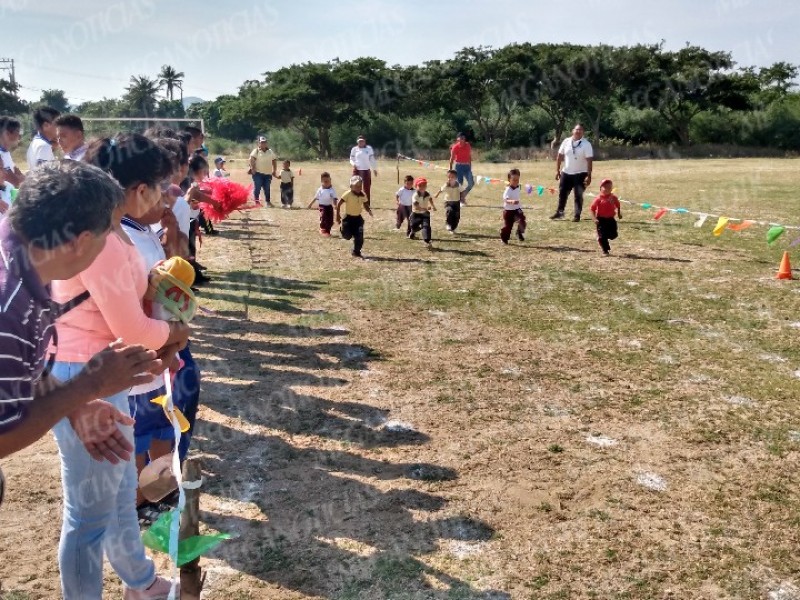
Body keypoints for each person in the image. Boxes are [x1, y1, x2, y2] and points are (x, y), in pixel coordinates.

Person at [52, 134, 190, 600]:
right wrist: (174, 335)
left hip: (103, 374)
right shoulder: (104, 241)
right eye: (159, 186)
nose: (163, 196)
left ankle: (141, 583)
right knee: (87, 516)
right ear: (136, 189)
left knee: (118, 492)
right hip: (82, 380)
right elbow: (131, 327)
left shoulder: (114, 233)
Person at [0, 160, 163, 464]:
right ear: (82, 242)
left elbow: (24, 365)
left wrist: (73, 405)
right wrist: (88, 385)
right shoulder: (8, 309)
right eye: (109, 233)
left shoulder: (24, 255)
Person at [552, 123, 593, 222]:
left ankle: (577, 215)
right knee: (562, 194)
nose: (578, 131)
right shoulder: (566, 141)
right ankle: (560, 213)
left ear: (583, 132)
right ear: (572, 130)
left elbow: (589, 160)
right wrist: (557, 170)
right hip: (566, 173)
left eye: (581, 130)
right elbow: (560, 156)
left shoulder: (586, 144)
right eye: (577, 129)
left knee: (578, 195)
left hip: (581, 173)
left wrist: (589, 175)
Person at [336, 175, 373, 258]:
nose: (358, 188)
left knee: (359, 237)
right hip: (348, 218)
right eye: (356, 186)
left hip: (358, 219)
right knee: (347, 236)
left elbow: (365, 204)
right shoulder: (347, 194)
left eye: (360, 186)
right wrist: (337, 216)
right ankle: (343, 230)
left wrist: (369, 210)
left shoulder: (362, 195)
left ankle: (356, 251)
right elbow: (339, 204)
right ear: (351, 186)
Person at [590, 178, 622, 255]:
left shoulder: (613, 197)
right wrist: (594, 219)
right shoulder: (598, 199)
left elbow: (618, 205)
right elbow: (592, 209)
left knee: (613, 235)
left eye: (609, 187)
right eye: (605, 187)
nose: (607, 189)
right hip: (601, 220)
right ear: (601, 188)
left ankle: (604, 237)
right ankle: (605, 249)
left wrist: (619, 213)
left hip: (611, 219)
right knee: (602, 236)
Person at [434, 169, 466, 234]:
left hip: (456, 202)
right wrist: (437, 194)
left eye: (452, 177)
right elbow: (441, 189)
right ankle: (448, 224)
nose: (450, 178)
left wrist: (463, 198)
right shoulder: (446, 184)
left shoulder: (458, 185)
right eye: (449, 177)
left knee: (456, 216)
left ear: (456, 178)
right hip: (448, 202)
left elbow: (462, 191)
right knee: (450, 211)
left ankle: (453, 228)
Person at [408, 177, 436, 250]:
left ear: (426, 186)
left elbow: (430, 199)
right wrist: (425, 208)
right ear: (416, 186)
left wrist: (433, 206)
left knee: (426, 227)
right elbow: (416, 206)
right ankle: (413, 232)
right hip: (416, 214)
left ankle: (427, 241)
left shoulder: (427, 193)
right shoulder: (415, 195)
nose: (422, 187)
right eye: (420, 186)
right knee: (413, 226)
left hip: (425, 214)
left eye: (424, 185)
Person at [307, 171, 338, 236]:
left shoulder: (332, 190)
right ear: (322, 181)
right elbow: (315, 198)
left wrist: (335, 205)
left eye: (328, 181)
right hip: (322, 206)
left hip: (329, 206)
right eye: (325, 181)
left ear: (330, 180)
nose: (327, 183)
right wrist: (310, 204)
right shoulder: (320, 190)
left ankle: (328, 230)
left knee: (330, 219)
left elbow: (334, 198)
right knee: (323, 216)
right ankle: (322, 229)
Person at [500, 168, 526, 244]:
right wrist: (512, 201)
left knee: (522, 220)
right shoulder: (508, 189)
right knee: (508, 226)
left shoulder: (518, 187)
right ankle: (504, 238)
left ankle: (519, 232)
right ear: (509, 180)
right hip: (508, 211)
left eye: (517, 180)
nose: (516, 182)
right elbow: (505, 199)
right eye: (514, 180)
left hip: (517, 209)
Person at [249, 135, 277, 206]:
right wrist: (253, 168)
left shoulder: (270, 151)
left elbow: (274, 160)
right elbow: (251, 159)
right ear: (259, 143)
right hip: (258, 173)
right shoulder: (256, 151)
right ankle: (257, 202)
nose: (263, 143)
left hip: (268, 174)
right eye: (262, 142)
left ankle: (268, 202)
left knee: (267, 188)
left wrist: (274, 170)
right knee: (257, 188)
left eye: (265, 142)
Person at [349, 135, 377, 203]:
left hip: (366, 170)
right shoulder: (354, 149)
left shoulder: (369, 149)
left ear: (365, 141)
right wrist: (353, 164)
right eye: (359, 141)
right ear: (357, 142)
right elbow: (351, 159)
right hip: (357, 170)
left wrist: (374, 169)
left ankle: (366, 202)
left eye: (362, 141)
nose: (361, 142)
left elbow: (372, 159)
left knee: (366, 187)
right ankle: (354, 200)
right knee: (354, 185)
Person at [448, 132, 474, 203]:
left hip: (467, 166)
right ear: (457, 139)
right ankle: (458, 198)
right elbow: (452, 159)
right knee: (460, 184)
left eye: (464, 138)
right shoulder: (455, 147)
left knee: (471, 183)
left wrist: (470, 167)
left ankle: (462, 197)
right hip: (459, 167)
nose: (463, 139)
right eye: (461, 138)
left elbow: (469, 157)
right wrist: (450, 170)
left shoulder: (468, 145)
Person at [0, 116, 25, 186]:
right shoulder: (1, 155)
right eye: (18, 132)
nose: (20, 137)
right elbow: (15, 181)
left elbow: (17, 172)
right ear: (7, 134)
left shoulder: (5, 153)